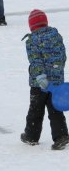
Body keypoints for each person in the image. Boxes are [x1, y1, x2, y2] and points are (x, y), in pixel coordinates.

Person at [21, 9, 69, 150]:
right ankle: (61, 136)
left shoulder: (32, 40)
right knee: (55, 109)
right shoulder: (56, 36)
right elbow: (63, 56)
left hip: (39, 84)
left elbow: (35, 61)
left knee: (35, 109)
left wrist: (41, 77)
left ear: (32, 26)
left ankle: (31, 136)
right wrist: (57, 72)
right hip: (56, 81)